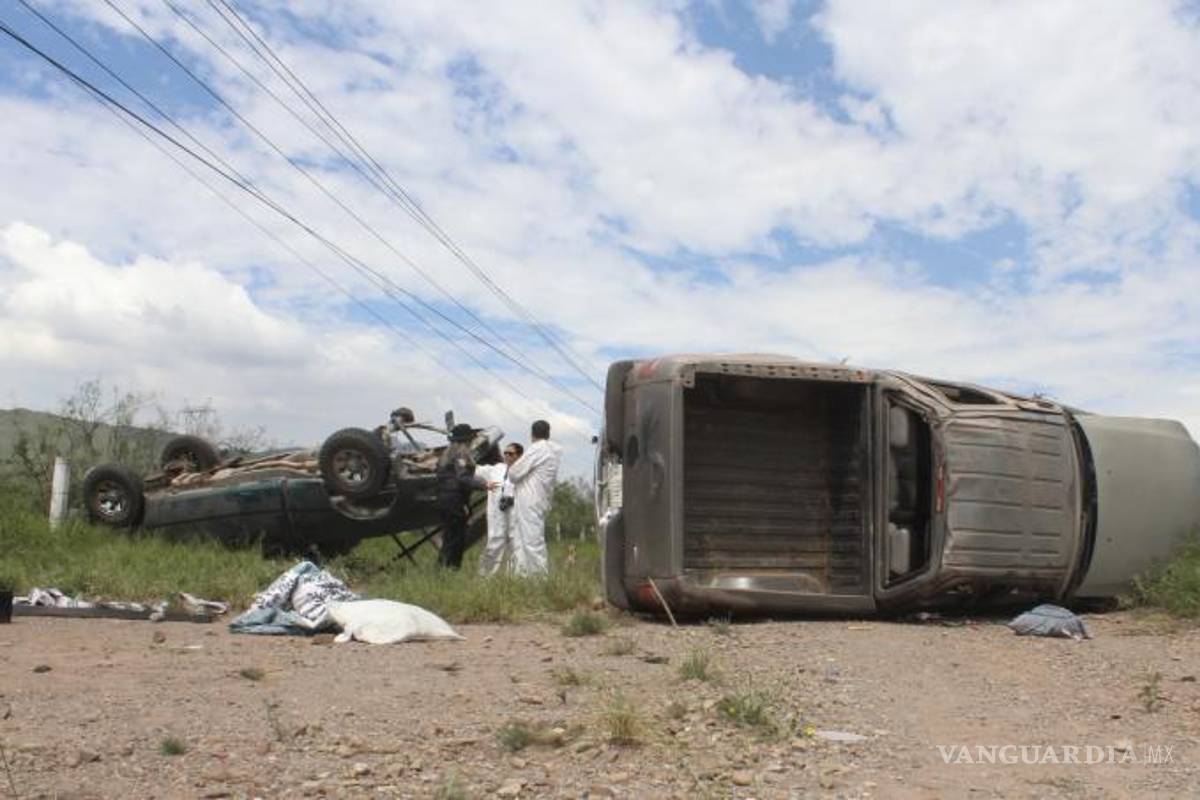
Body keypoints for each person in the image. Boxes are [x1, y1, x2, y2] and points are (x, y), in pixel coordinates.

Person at [505, 419, 562, 576]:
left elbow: (514, 473)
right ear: (548, 434)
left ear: (532, 434)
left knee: (531, 541)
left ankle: (539, 579)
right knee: (522, 541)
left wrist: (514, 470)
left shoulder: (537, 449)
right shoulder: (551, 450)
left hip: (530, 500)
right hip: (538, 499)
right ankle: (522, 577)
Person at [436, 423, 485, 569]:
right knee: (457, 538)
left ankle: (442, 569)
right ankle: (451, 569)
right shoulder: (461, 454)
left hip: (444, 499)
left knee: (449, 537)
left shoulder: (445, 455)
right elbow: (462, 478)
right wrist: (483, 485)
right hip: (455, 499)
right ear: (467, 440)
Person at [476, 442, 523, 576]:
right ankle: (484, 576)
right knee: (494, 544)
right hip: (497, 515)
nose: (507, 456)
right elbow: (475, 470)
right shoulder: (496, 469)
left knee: (515, 546)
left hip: (515, 514)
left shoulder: (523, 472)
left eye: (511, 453)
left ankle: (513, 577)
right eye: (505, 453)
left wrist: (512, 499)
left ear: (519, 456)